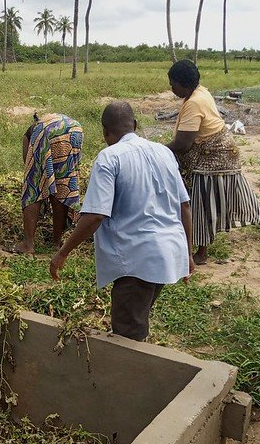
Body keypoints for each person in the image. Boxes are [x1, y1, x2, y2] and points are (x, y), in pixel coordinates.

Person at [50, 101, 194, 342]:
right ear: (135, 125)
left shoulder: (109, 158)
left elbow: (95, 215)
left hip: (136, 260)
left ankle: (135, 374)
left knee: (128, 335)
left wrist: (63, 252)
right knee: (137, 315)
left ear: (105, 132)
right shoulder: (164, 152)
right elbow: (185, 205)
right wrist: (187, 253)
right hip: (170, 251)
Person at [166, 59, 260, 265]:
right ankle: (198, 245)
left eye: (173, 83)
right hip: (217, 151)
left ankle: (201, 252)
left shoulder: (194, 102)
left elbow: (183, 144)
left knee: (201, 203)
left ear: (183, 83)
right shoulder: (200, 92)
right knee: (201, 201)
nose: (171, 88)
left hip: (214, 157)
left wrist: (156, 149)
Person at [10, 113, 84, 254]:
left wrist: (39, 185)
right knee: (62, 184)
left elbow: (30, 169)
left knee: (32, 187)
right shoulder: (54, 119)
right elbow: (53, 185)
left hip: (48, 133)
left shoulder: (32, 132)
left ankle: (28, 245)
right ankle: (56, 242)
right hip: (75, 129)